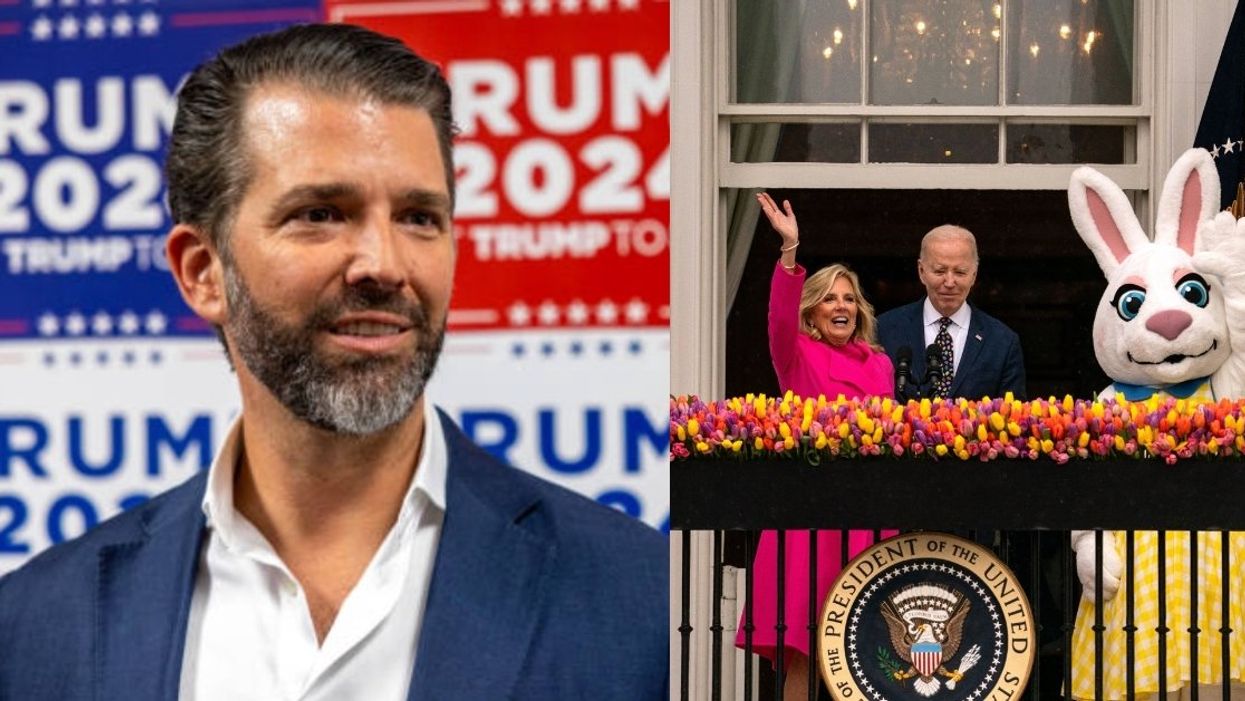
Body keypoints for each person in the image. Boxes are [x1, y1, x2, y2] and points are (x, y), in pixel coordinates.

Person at [0, 24, 666, 700]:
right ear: (203, 272)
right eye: (321, 212)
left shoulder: (645, 602)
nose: (383, 263)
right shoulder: (34, 628)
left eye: (418, 217)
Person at [736, 192, 897, 700]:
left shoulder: (879, 364)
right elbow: (778, 320)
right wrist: (790, 252)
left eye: (849, 298)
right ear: (812, 311)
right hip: (812, 520)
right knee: (806, 651)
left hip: (868, 517)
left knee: (865, 654)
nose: (841, 306)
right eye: (830, 298)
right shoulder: (797, 355)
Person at [876, 224, 1027, 400]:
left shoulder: (1002, 342)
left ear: (974, 274)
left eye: (960, 272)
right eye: (940, 271)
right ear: (921, 271)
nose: (949, 282)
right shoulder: (884, 330)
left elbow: (1014, 416)